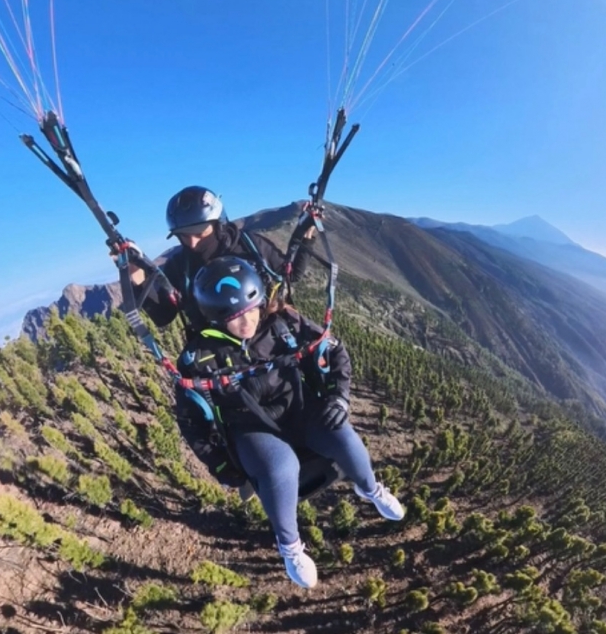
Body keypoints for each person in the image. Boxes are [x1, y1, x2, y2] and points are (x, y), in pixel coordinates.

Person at [174, 255, 404, 588]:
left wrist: (339, 396)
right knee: (279, 468)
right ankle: (291, 548)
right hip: (250, 426)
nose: (248, 322)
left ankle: (370, 488)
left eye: (252, 311)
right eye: (237, 317)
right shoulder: (200, 358)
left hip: (298, 406)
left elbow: (333, 350)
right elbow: (191, 419)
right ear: (216, 317)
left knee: (342, 435)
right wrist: (221, 466)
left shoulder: (283, 323)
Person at [130, 185, 315, 328]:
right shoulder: (179, 266)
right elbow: (163, 317)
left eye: (200, 234)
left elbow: (290, 274)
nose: (192, 243)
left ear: (218, 224)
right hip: (221, 361)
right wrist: (138, 279)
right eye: (184, 236)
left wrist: (305, 236)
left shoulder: (250, 246)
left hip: (273, 338)